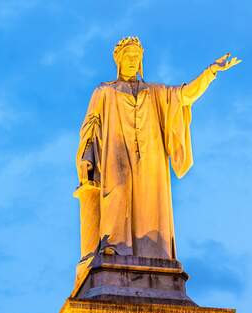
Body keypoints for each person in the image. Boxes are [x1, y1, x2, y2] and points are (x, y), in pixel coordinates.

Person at [75, 36, 241, 260]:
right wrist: (87, 158)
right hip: (116, 154)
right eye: (128, 56)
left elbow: (184, 96)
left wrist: (210, 72)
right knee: (117, 196)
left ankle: (153, 251)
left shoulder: (155, 92)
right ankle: (114, 246)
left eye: (137, 56)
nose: (133, 60)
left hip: (150, 157)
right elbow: (91, 126)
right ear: (119, 60)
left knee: (150, 203)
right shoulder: (104, 92)